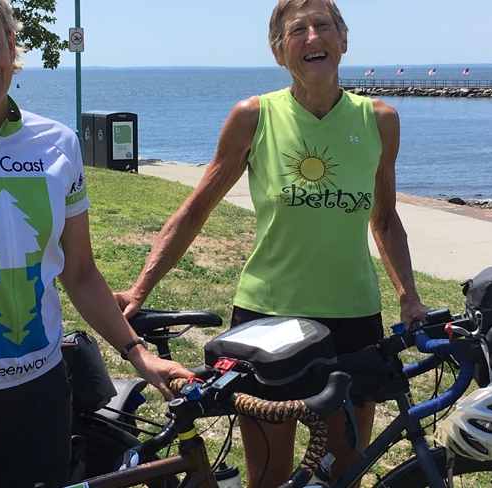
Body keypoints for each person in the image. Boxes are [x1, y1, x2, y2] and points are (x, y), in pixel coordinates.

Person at [0, 1, 191, 486]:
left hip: (40, 388)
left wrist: (139, 354)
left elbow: (79, 271)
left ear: (12, 47)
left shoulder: (57, 143)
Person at [114, 0, 430, 486]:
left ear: (343, 41)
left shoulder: (379, 120)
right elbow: (196, 208)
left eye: (323, 26)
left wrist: (409, 298)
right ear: (279, 51)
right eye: (296, 30)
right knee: (269, 478)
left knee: (345, 475)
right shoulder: (253, 116)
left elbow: (385, 219)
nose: (311, 38)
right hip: (268, 320)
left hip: (353, 319)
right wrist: (141, 288)